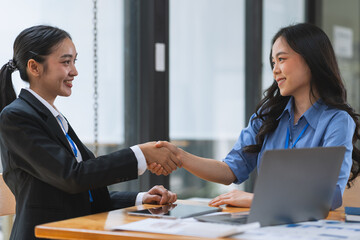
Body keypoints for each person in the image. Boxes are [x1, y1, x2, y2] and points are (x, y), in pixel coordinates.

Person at [152, 23, 360, 210]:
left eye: (281, 59)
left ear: (311, 60)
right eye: (273, 62)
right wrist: (181, 157)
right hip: (264, 223)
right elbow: (229, 170)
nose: (275, 70)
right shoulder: (268, 116)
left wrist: (254, 199)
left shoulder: (337, 121)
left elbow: (331, 196)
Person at [0, 25, 181, 240]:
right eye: (66, 62)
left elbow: (84, 193)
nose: (74, 71)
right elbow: (73, 177)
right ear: (34, 67)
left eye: (74, 61)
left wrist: (142, 198)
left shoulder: (54, 119)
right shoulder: (16, 117)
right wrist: (141, 154)